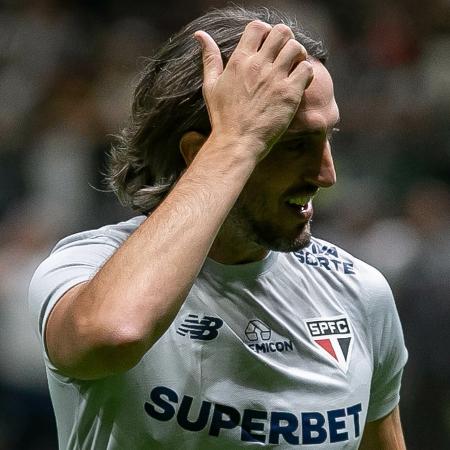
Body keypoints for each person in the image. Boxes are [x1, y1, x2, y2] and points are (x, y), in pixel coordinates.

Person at [28, 5, 408, 449]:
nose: (327, 175)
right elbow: (114, 334)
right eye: (291, 144)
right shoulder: (87, 268)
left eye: (329, 137)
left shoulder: (360, 293)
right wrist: (238, 138)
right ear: (199, 153)